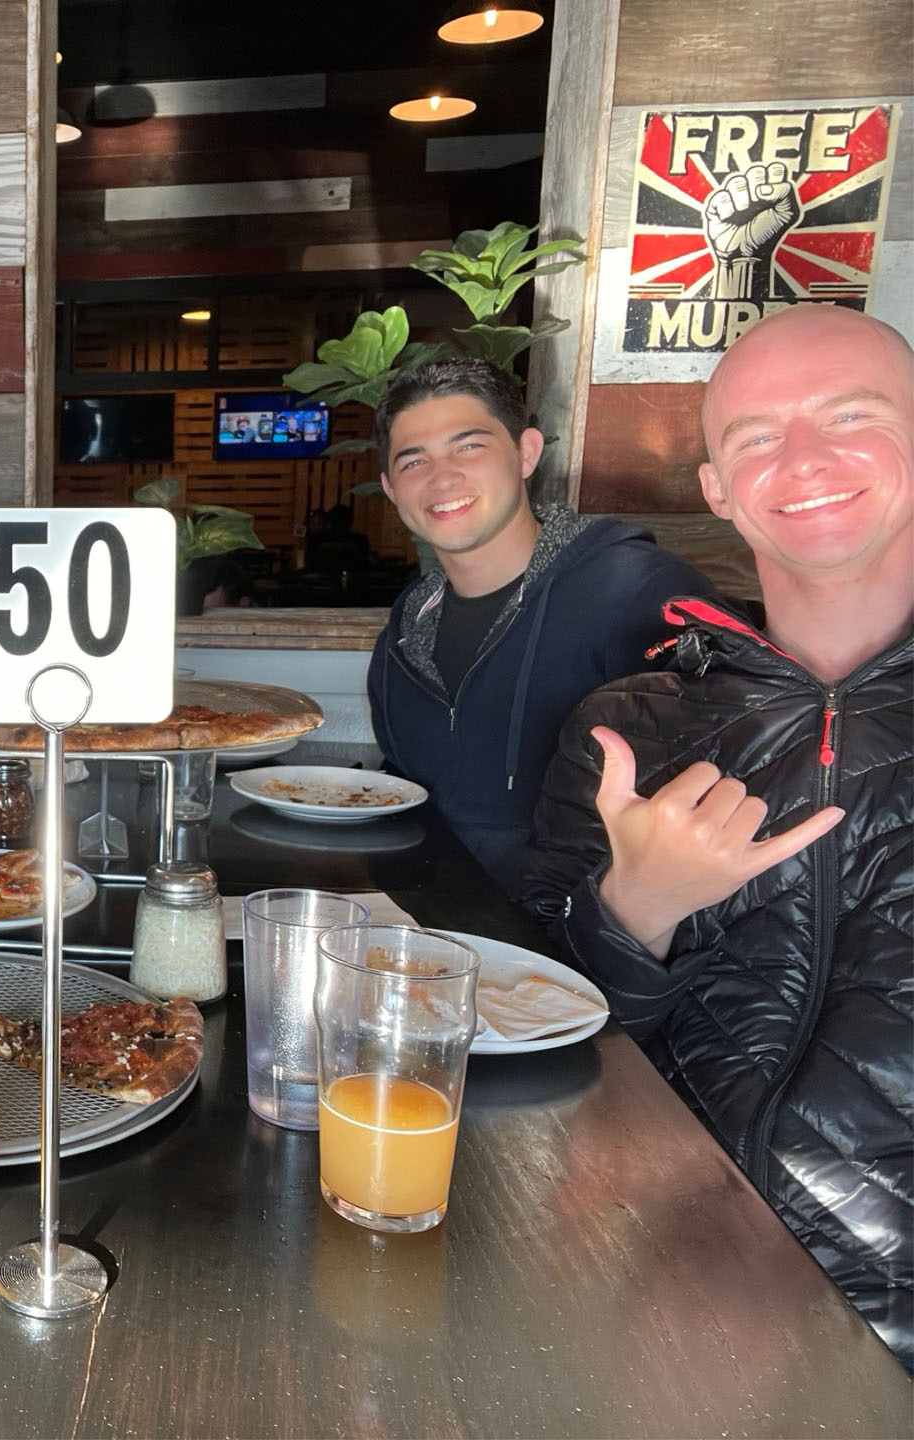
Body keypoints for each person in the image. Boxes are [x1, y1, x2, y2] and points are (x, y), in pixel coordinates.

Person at [524, 305, 912, 1368]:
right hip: (639, 1274)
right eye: (756, 436)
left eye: (851, 415)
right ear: (718, 489)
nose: (805, 458)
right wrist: (633, 912)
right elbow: (537, 1027)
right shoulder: (631, 726)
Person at [363, 356, 714, 896]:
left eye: (469, 446)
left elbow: (710, 807)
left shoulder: (638, 593)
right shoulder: (407, 631)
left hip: (587, 955)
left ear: (526, 453)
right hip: (433, 945)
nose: (442, 477)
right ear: (391, 489)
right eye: (414, 462)